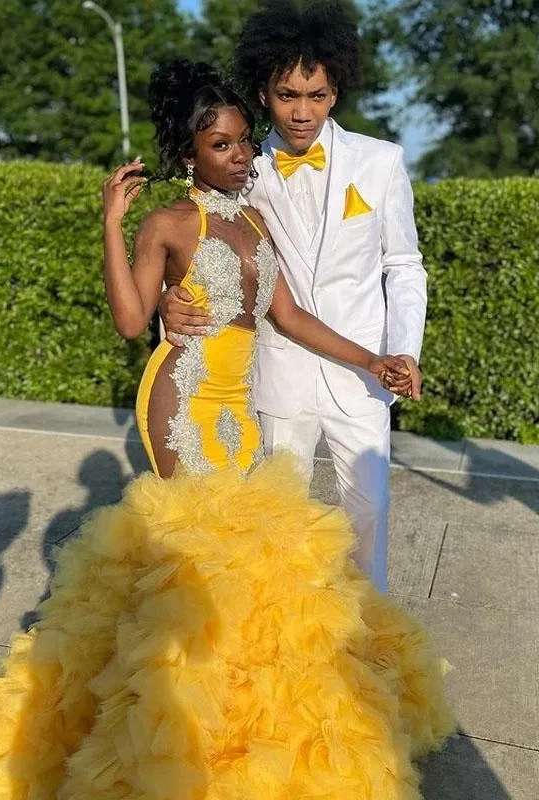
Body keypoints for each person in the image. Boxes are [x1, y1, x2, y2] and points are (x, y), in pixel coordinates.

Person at [0, 60, 452, 800]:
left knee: (246, 559)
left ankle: (231, 721)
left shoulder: (252, 219)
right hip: (181, 400)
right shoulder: (168, 222)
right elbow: (130, 320)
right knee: (197, 556)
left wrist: (375, 359)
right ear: (191, 154)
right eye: (223, 145)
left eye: (245, 142)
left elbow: (290, 318)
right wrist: (112, 228)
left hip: (239, 409)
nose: (242, 156)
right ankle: (158, 728)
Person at [159, 0, 426, 593]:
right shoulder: (241, 166)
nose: (302, 112)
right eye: (287, 95)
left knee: (370, 521)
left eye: (318, 96)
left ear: (336, 94)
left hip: (365, 374)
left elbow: (405, 265)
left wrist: (404, 349)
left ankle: (369, 645)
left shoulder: (381, 163)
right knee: (277, 524)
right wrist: (166, 298)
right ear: (262, 92)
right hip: (277, 375)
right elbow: (190, 237)